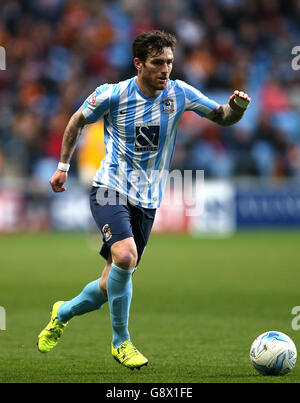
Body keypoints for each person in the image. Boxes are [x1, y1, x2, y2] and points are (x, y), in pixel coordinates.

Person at [37, 30, 251, 370]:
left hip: (148, 200)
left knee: (110, 284)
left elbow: (222, 116)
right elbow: (77, 120)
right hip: (110, 188)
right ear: (139, 64)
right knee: (126, 255)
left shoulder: (179, 93)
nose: (165, 69)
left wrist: (237, 109)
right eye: (157, 63)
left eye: (169, 62)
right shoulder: (113, 94)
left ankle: (61, 312)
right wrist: (62, 166)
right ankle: (121, 342)